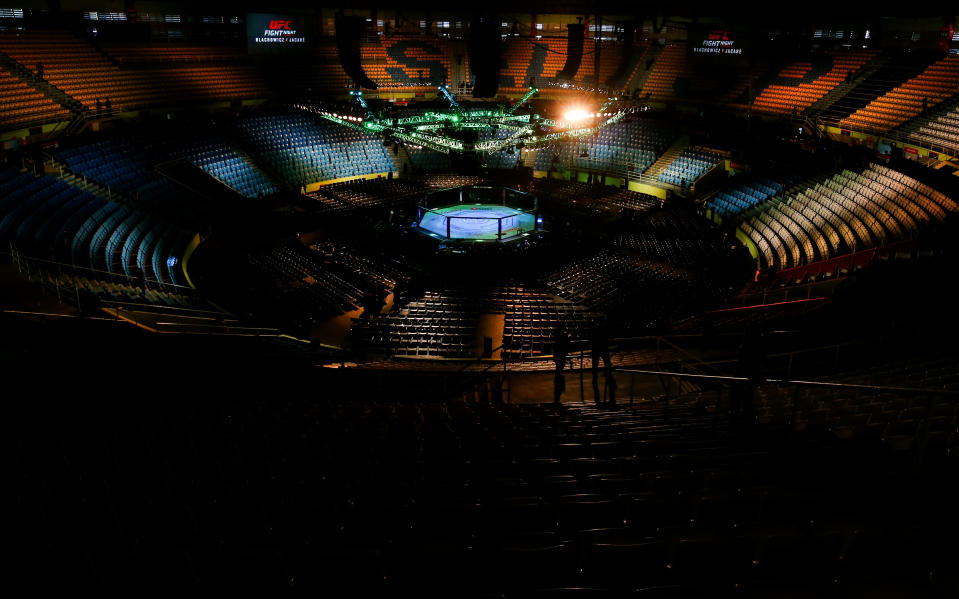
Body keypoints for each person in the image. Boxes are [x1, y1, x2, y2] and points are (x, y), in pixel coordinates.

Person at [590, 319, 614, 405]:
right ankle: (606, 374)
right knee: (603, 363)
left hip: (599, 349)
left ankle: (596, 376)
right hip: (602, 348)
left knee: (597, 363)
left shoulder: (597, 329)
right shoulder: (603, 330)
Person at [552, 325, 570, 404]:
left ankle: (558, 376)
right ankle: (558, 377)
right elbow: (565, 343)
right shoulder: (562, 336)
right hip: (560, 353)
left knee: (559, 365)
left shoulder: (557, 335)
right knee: (560, 364)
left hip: (558, 353)